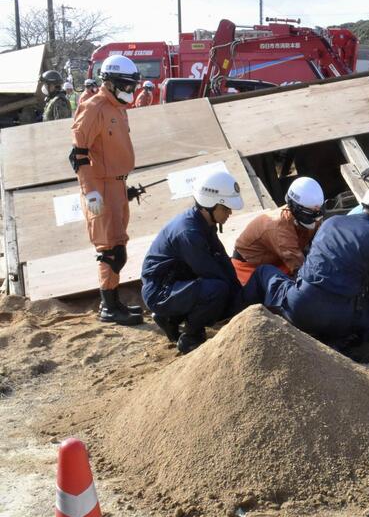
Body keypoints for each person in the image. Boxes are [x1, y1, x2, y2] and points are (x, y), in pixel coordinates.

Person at [256, 183, 369, 349]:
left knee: (264, 271)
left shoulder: (331, 222)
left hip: (299, 308)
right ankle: (345, 347)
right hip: (339, 323)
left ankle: (235, 319)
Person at [70, 55, 142, 326]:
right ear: (110, 83)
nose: (130, 91)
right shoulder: (95, 107)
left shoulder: (118, 107)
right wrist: (91, 191)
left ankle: (114, 302)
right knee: (109, 250)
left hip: (116, 184)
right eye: (126, 85)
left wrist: (123, 187)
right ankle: (109, 307)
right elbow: (78, 154)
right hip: (99, 186)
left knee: (119, 245)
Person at [142, 170, 249, 353]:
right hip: (160, 291)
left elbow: (222, 260)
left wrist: (240, 295)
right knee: (217, 290)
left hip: (175, 282)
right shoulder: (189, 233)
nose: (230, 212)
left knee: (227, 289)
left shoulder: (203, 223)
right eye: (225, 208)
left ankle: (171, 319)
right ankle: (191, 336)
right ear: (210, 205)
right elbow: (211, 272)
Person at [231, 176, 325, 284]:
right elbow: (301, 270)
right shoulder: (280, 230)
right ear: (296, 209)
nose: (316, 219)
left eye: (317, 213)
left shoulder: (311, 216)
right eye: (310, 213)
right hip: (249, 268)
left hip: (278, 260)